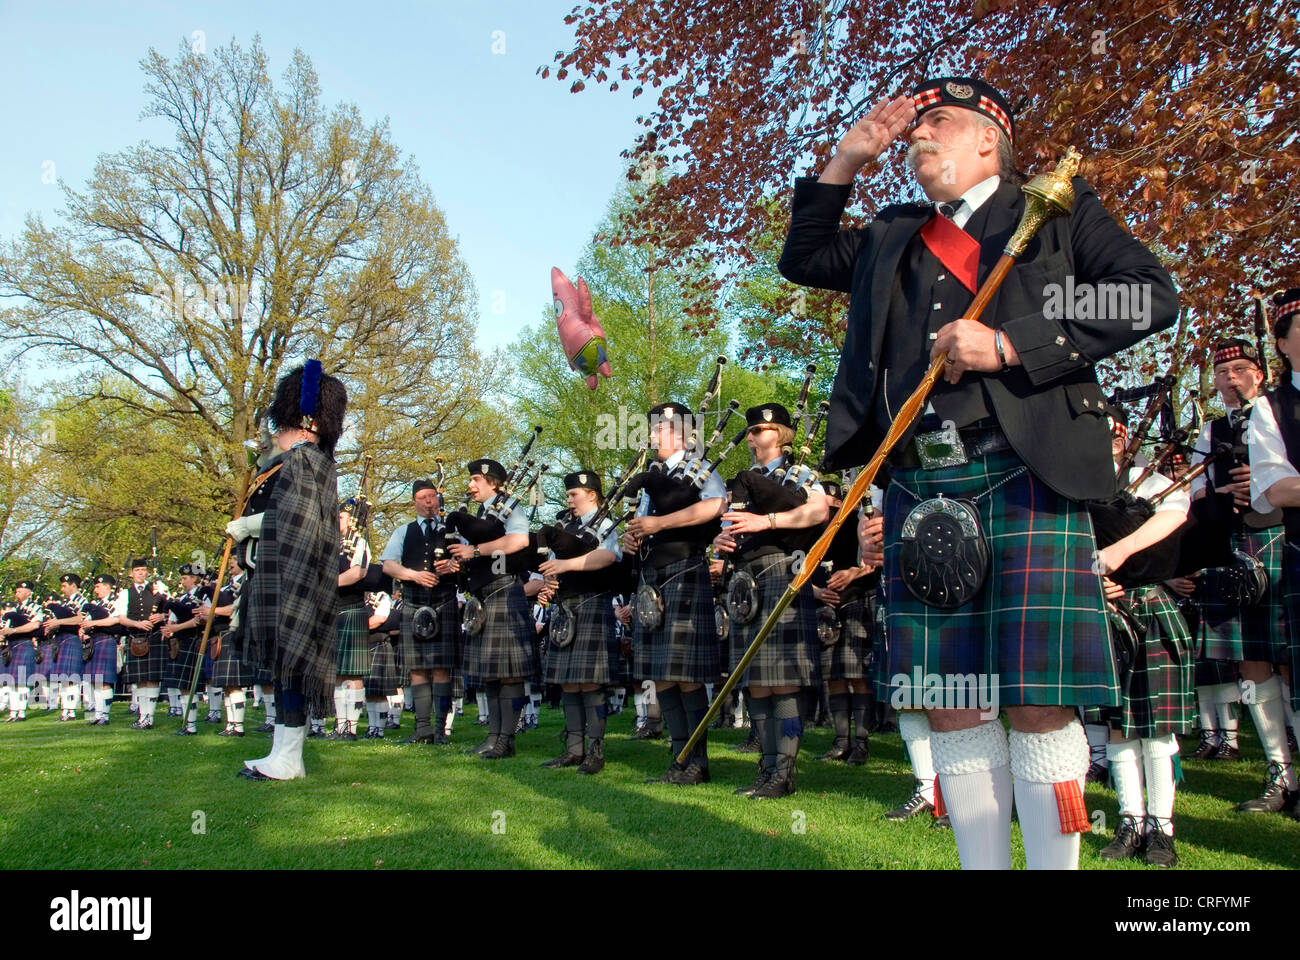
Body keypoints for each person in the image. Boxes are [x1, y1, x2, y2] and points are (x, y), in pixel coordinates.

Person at [778, 77, 1179, 868]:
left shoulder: (1059, 214)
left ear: (989, 138)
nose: (920, 136)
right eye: (915, 125)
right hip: (922, 487)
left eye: (940, 123)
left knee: (1038, 704)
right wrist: (846, 159)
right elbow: (803, 258)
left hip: (1025, 474)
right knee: (953, 705)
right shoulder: (892, 233)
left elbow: (1149, 297)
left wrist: (1008, 344)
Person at [1189, 337, 1296, 811]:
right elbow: (1193, 494)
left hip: (1283, 541)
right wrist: (1221, 495)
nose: (1230, 378)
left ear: (1259, 371)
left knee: (1292, 659)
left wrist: (1268, 482)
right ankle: (1280, 773)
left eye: (1239, 368)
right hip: (1235, 547)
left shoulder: (1284, 412)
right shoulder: (1208, 432)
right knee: (1252, 660)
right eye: (1222, 371)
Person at [230, 360, 347, 781]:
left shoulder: (303, 460)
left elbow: (295, 521)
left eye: (280, 425)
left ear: (300, 423)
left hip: (292, 579)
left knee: (292, 665)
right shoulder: (299, 461)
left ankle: (289, 756)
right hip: (282, 574)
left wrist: (248, 526)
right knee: (283, 668)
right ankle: (282, 753)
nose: (274, 433)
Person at [1092, 415, 1194, 868]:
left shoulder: (1147, 480)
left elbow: (1174, 514)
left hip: (1150, 606)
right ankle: (1129, 821)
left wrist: (1117, 553)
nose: (1112, 437)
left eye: (1117, 430)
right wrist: (1092, 582)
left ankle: (1161, 828)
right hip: (1104, 610)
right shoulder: (1076, 486)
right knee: (1119, 724)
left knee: (1156, 725)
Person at [714, 403, 829, 798]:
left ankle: (785, 772)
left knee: (784, 682)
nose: (751, 436)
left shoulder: (801, 474)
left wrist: (767, 522)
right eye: (748, 431)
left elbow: (817, 512)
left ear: (780, 433)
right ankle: (765, 768)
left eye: (759, 430)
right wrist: (721, 539)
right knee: (756, 682)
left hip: (782, 571)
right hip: (745, 579)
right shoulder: (741, 482)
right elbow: (729, 524)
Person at [624, 402, 726, 785]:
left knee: (685, 673)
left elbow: (715, 506)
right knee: (662, 674)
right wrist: (634, 538)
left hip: (685, 570)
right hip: (652, 573)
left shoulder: (698, 467)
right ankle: (678, 756)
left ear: (683, 434)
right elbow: (646, 524)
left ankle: (697, 762)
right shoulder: (655, 474)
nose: (652, 436)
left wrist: (660, 522)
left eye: (660, 430)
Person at [1244, 286, 1300, 821]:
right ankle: (1284, 776)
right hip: (1289, 547)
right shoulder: (1272, 409)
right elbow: (1279, 491)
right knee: (1276, 666)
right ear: (1281, 343)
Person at [447, 459, 539, 760]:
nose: (471, 485)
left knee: (509, 674)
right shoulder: (483, 514)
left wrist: (474, 550)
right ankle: (494, 736)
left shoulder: (511, 507)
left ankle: (506, 739)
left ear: (494, 482)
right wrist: (459, 563)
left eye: (476, 479)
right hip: (485, 598)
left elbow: (518, 541)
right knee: (493, 674)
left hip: (504, 594)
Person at [537, 470, 623, 774]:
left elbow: (608, 557)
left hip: (591, 604)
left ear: (592, 494)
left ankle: (595, 751)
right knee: (568, 683)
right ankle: (574, 749)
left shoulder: (605, 523)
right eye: (569, 494)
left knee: (591, 682)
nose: (569, 499)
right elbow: (549, 564)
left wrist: (566, 564)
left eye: (574, 494)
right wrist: (549, 580)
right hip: (564, 607)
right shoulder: (564, 524)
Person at [381, 480, 460, 744]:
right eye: (422, 498)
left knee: (441, 668)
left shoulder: (454, 530)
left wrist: (455, 565)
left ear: (438, 500)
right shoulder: (403, 531)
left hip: (445, 600)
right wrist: (413, 575)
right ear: (415, 502)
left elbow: (469, 559)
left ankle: (440, 730)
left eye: (432, 497)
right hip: (414, 601)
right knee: (416, 668)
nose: (428, 502)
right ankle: (422, 728)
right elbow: (389, 565)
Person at [811, 480, 879, 766]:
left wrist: (853, 572)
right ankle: (840, 742)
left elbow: (876, 555)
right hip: (825, 608)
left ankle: (861, 744)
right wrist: (817, 591)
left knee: (858, 675)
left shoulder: (857, 518)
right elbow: (799, 567)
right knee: (834, 677)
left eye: (828, 503)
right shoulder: (811, 528)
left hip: (857, 600)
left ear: (839, 502)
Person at [328, 507, 372, 740]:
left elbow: (358, 573)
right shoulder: (329, 543)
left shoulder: (359, 542)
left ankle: (351, 728)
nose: (337, 519)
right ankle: (339, 725)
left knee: (354, 674)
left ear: (351, 520)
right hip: (333, 609)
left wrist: (326, 584)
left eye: (342, 516)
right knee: (337, 673)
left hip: (352, 609)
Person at [202, 557, 252, 736]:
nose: (231, 562)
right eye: (230, 559)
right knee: (227, 685)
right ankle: (230, 724)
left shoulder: (248, 583)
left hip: (235, 633)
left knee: (235, 683)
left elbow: (235, 608)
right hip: (222, 635)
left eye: (235, 559)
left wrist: (212, 611)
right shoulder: (224, 587)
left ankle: (238, 726)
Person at [117, 559, 166, 729]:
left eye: (143, 570)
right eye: (137, 570)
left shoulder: (157, 589)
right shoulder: (125, 593)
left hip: (153, 637)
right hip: (136, 636)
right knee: (140, 680)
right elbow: (122, 619)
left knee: (151, 678)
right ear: (131, 573)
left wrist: (162, 616)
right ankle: (142, 716)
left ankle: (149, 717)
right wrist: (137, 624)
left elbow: (170, 609)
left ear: (147, 572)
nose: (140, 572)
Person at [160, 564, 208, 735]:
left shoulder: (203, 595)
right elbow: (172, 619)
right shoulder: (181, 598)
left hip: (193, 641)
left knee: (189, 685)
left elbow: (199, 620)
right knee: (182, 686)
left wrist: (175, 628)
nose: (181, 581)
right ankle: (187, 723)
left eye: (184, 578)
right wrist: (168, 628)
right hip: (180, 643)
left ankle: (191, 725)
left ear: (194, 578)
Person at [79, 574, 123, 725]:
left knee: (104, 681)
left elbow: (116, 619)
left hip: (106, 639)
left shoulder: (116, 601)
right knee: (95, 680)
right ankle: (98, 714)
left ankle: (105, 716)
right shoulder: (95, 603)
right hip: (93, 641)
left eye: (98, 586)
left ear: (107, 586)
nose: (95, 590)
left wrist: (94, 623)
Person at [45, 574, 89, 721]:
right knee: (63, 677)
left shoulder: (81, 600)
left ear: (73, 585)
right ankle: (65, 710)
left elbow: (81, 618)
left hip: (71, 638)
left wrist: (59, 622)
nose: (61, 589)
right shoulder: (66, 602)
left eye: (64, 585)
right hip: (61, 638)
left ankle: (71, 711)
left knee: (70, 677)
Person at [0, 580, 44, 721]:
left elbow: (34, 625)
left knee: (22, 681)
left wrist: (13, 630)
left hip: (24, 643)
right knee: (12, 681)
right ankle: (13, 712)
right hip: (11, 645)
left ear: (28, 592)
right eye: (16, 591)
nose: (16, 593)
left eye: (20, 591)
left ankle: (21, 712)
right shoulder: (15, 609)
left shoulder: (35, 607)